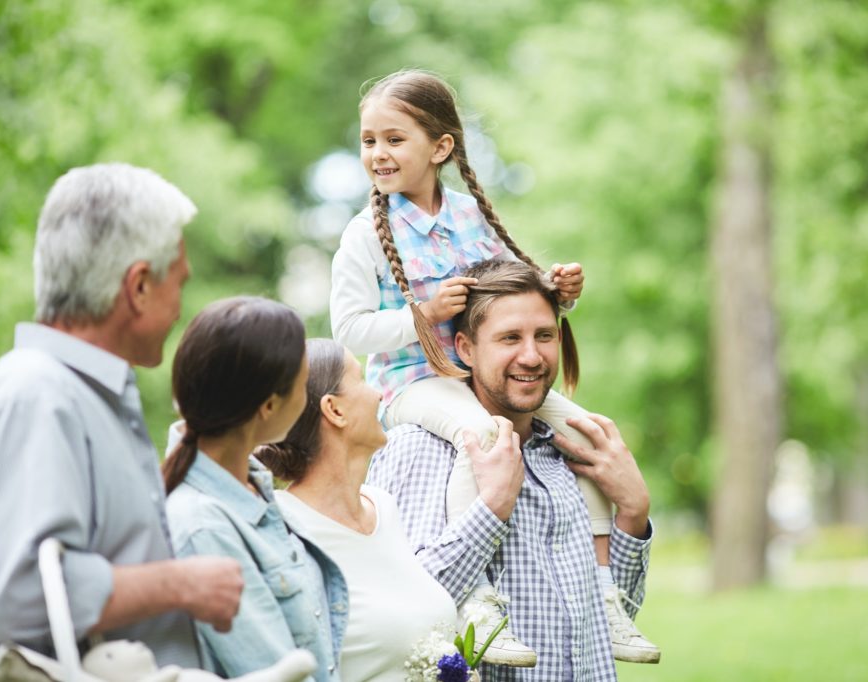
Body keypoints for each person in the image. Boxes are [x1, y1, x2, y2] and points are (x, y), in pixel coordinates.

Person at [330, 68, 657, 664]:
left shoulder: (467, 216)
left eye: (394, 139)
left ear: (441, 147)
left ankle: (607, 596)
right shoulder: (365, 237)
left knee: (590, 432)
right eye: (368, 140)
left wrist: (557, 288)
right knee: (484, 434)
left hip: (473, 377)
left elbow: (512, 294)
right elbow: (348, 330)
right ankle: (479, 603)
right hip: (413, 383)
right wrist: (423, 315)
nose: (377, 153)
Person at [0, 163, 242, 667]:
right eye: (179, 281)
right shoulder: (40, 393)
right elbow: (17, 595)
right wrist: (180, 584)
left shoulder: (83, 395)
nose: (180, 307)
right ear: (139, 287)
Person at [368, 259, 658, 681]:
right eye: (509, 338)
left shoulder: (568, 456)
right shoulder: (419, 449)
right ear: (466, 348)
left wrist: (633, 513)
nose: (531, 355)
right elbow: (400, 610)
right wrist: (490, 511)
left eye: (544, 336)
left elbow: (610, 619)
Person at [162, 297, 345, 681]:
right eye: (302, 378)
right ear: (268, 406)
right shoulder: (202, 525)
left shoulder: (253, 488)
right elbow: (274, 669)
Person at [256, 339, 458, 681]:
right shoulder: (283, 529)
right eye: (362, 379)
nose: (379, 393)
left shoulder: (384, 507)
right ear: (334, 410)